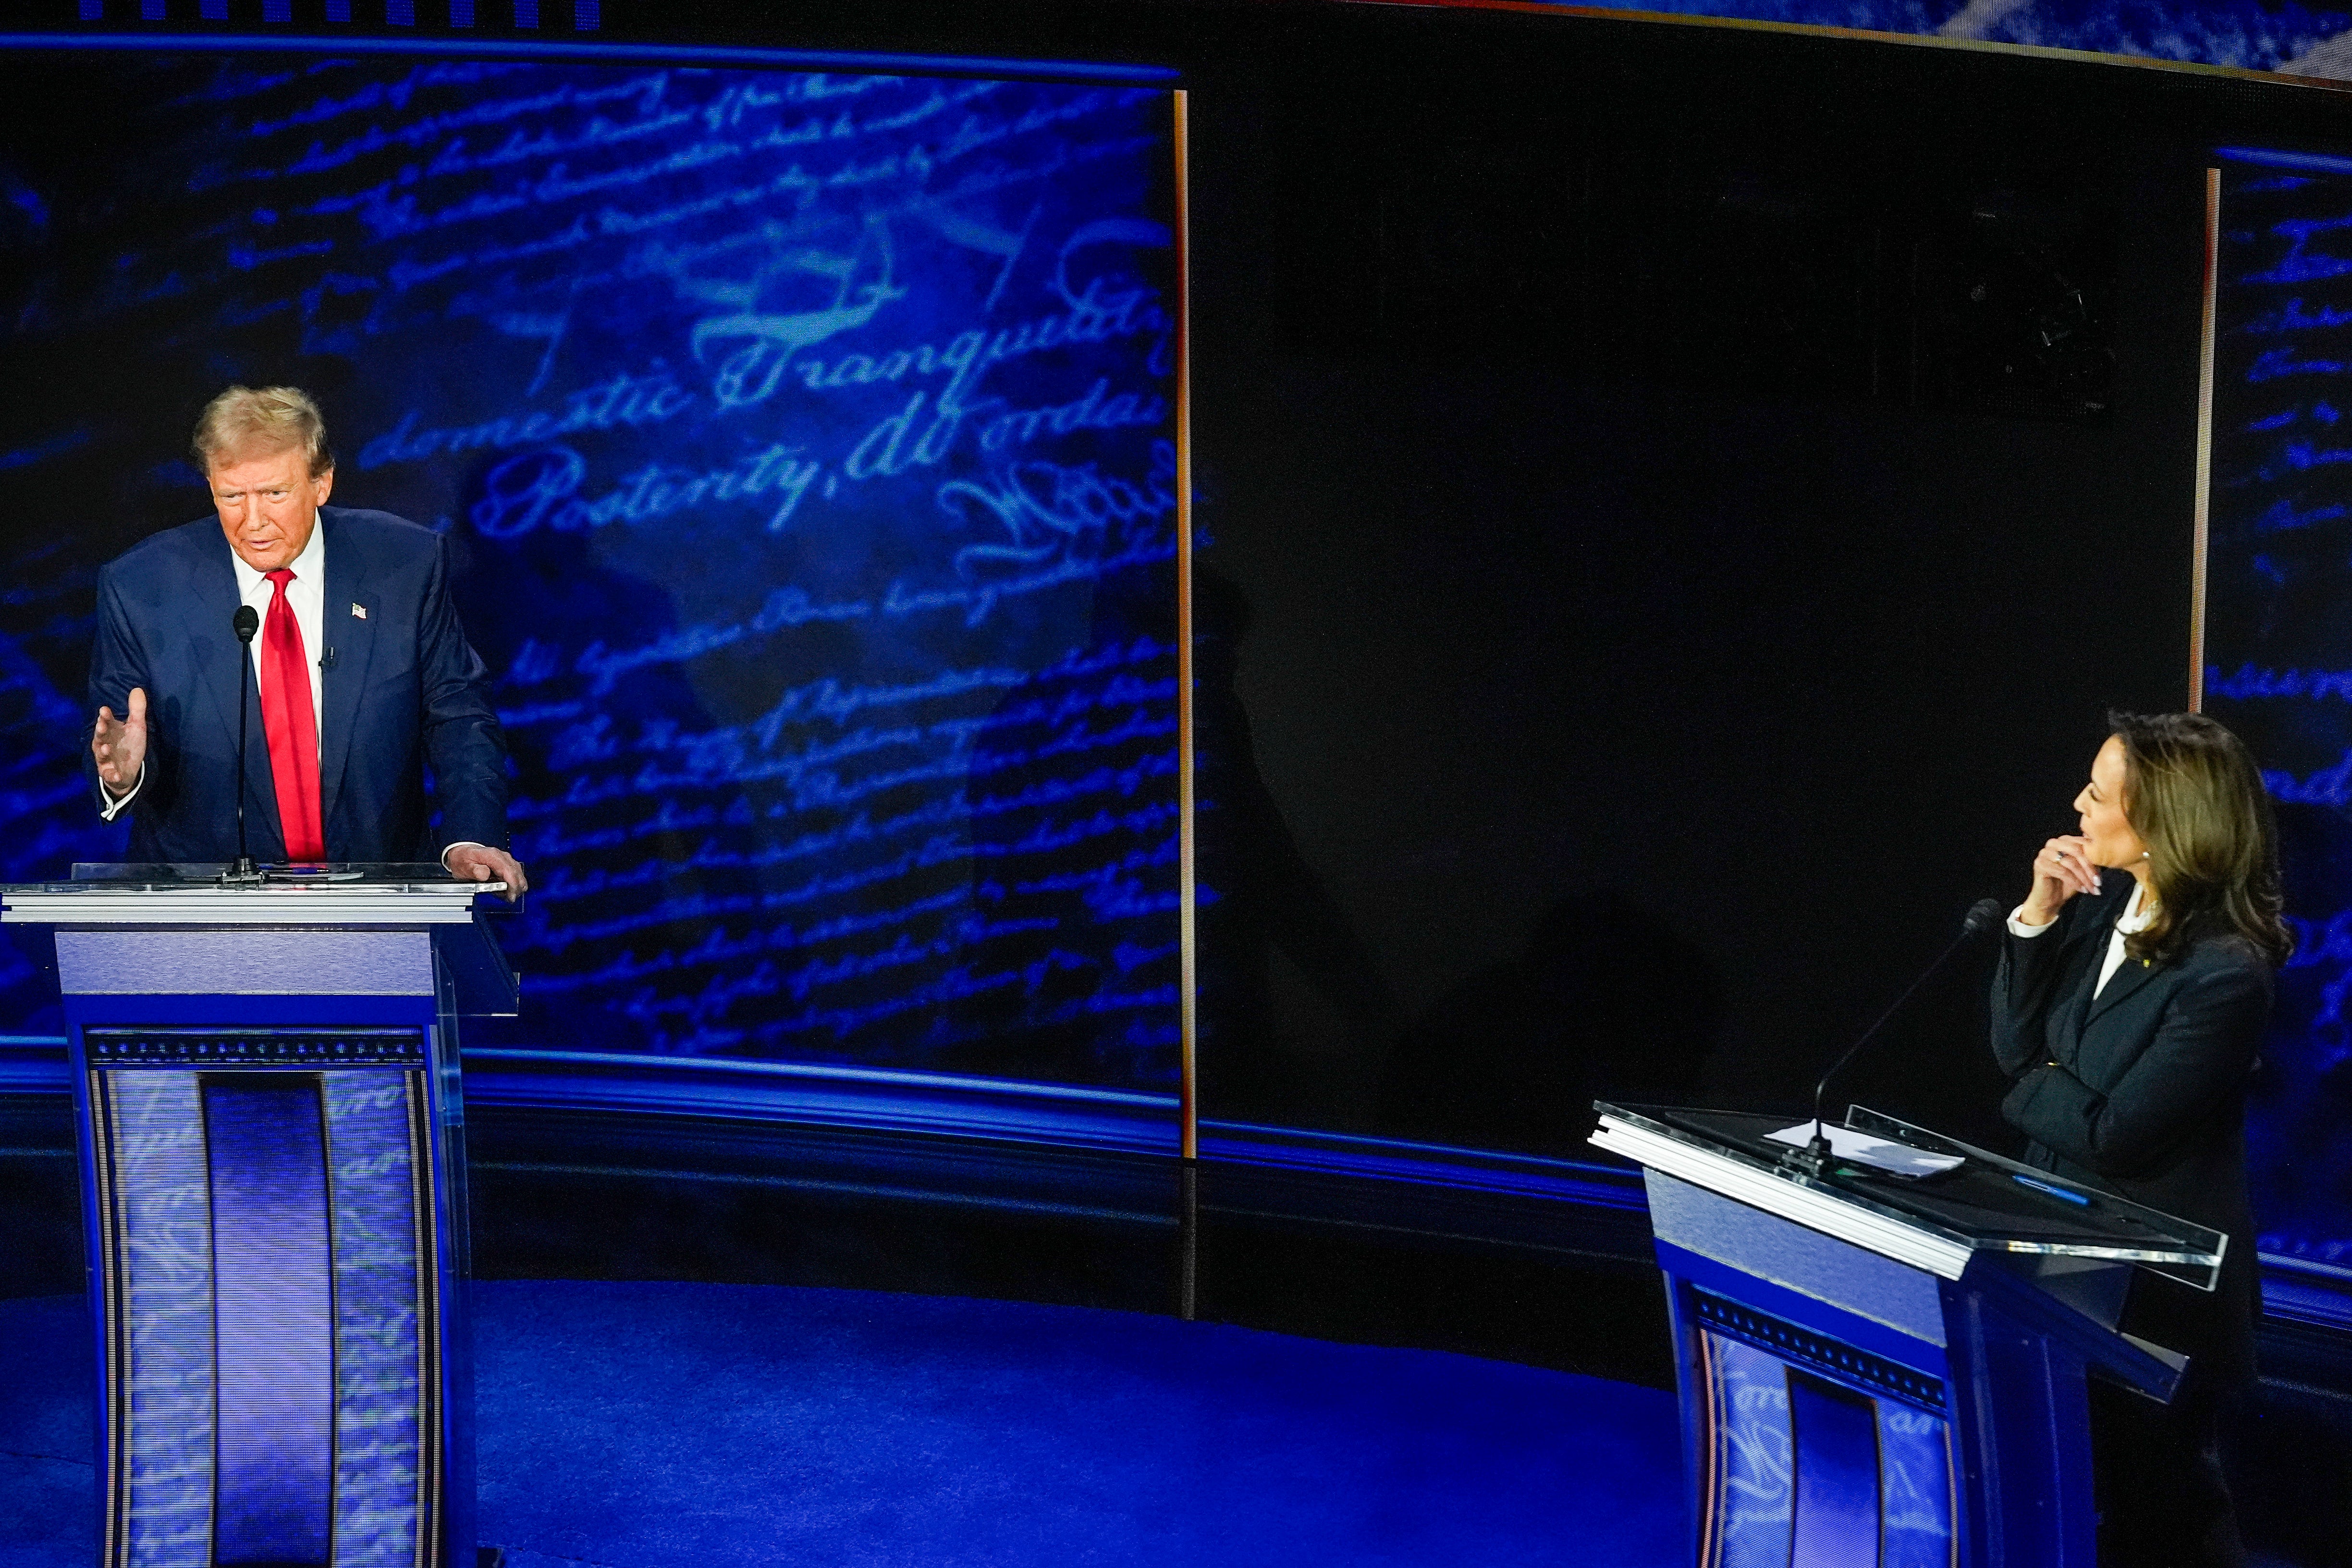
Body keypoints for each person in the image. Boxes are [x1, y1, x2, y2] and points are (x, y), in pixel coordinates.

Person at [1992, 710, 2290, 1568]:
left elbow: (2117, 1135)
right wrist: (2036, 917)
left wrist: (2027, 1083)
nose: (2078, 804)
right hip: (2057, 1266)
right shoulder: (2097, 913)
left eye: (2099, 791)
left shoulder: (2226, 971)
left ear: (2162, 820)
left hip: (2155, 1296)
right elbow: (2016, 1047)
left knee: (2160, 1520)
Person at [86, 385, 527, 894]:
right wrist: (122, 775)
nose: (253, 522)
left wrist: (471, 837)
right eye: (232, 496)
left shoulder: (403, 563)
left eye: (274, 493)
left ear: (322, 483)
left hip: (377, 896)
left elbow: (458, 713)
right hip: (205, 909)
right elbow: (115, 733)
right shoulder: (141, 585)